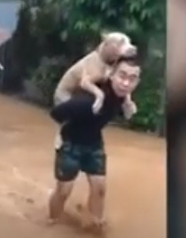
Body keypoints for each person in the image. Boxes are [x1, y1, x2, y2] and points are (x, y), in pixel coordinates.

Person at [48, 56, 141, 229]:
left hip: (94, 144)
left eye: (132, 79)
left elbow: (124, 105)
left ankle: (95, 224)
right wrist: (61, 136)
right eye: (122, 76)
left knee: (100, 189)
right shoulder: (87, 101)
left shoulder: (121, 95)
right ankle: (52, 221)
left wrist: (128, 104)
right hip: (70, 144)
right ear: (111, 75)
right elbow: (56, 113)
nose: (126, 83)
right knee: (63, 191)